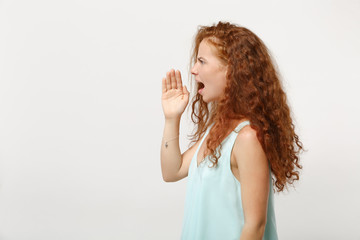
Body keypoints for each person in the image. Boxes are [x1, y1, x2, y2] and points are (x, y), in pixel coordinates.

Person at [160, 21, 304, 240]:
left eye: (202, 61)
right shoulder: (216, 130)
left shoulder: (247, 137)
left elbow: (255, 226)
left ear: (232, 71)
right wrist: (171, 118)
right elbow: (172, 171)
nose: (193, 69)